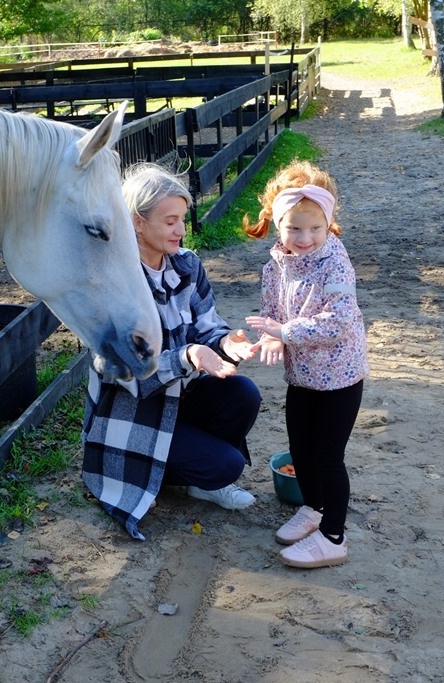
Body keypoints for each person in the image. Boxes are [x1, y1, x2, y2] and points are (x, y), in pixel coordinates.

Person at [82, 162, 262, 541]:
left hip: (179, 397)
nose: (181, 229)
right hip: (132, 415)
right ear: (137, 223)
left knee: (244, 393)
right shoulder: (113, 282)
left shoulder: (186, 264)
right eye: (170, 221)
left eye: (182, 219)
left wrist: (225, 342)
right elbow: (123, 371)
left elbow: (208, 325)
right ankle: (157, 474)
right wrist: (187, 356)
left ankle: (191, 473)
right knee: (226, 466)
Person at [244, 160, 369, 568]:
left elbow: (339, 320)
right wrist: (271, 336)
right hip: (301, 375)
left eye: (316, 228)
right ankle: (313, 508)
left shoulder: (334, 262)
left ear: (328, 223)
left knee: (329, 456)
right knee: (301, 448)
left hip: (340, 376)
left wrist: (285, 332)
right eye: (294, 228)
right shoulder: (275, 266)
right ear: (277, 223)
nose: (305, 238)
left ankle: (334, 537)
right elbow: (272, 311)